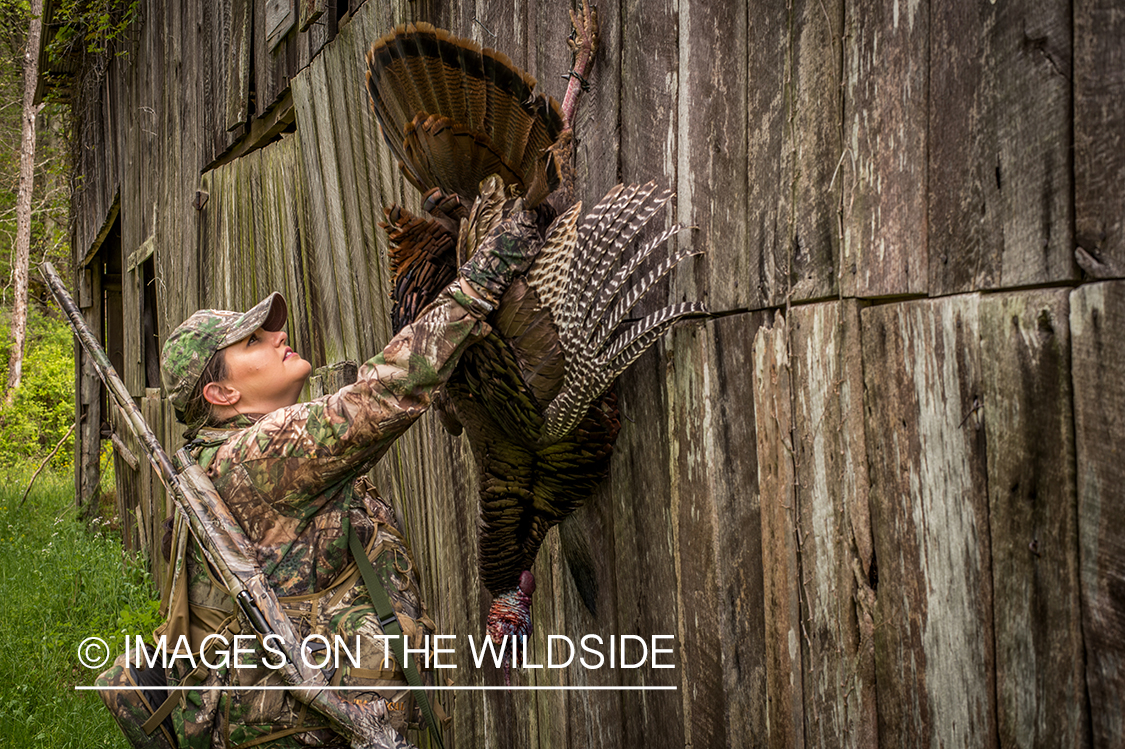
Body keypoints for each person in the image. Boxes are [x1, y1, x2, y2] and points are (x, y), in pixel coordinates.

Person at [95, 209, 541, 748]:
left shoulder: (217, 462)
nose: (278, 335)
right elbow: (385, 390)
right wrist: (490, 272)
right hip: (330, 731)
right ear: (221, 394)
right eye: (253, 341)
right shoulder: (258, 454)